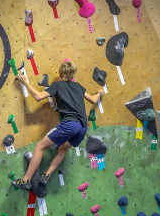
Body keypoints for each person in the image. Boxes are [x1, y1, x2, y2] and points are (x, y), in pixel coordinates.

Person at [12, 61, 104, 189]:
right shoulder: (78, 86)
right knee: (63, 149)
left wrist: (25, 82)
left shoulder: (57, 85)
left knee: (40, 147)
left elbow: (38, 97)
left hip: (70, 125)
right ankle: (47, 175)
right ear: (73, 75)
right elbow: (93, 99)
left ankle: (26, 180)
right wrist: (100, 92)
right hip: (82, 128)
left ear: (60, 73)